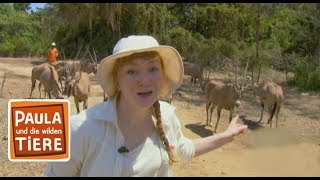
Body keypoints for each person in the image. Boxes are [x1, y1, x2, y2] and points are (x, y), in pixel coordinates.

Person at [44, 35, 248, 177]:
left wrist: (227, 135)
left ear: (162, 74)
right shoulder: (81, 129)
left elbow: (185, 149)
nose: (144, 81)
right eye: (132, 72)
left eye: (152, 69)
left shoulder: (167, 118)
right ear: (117, 80)